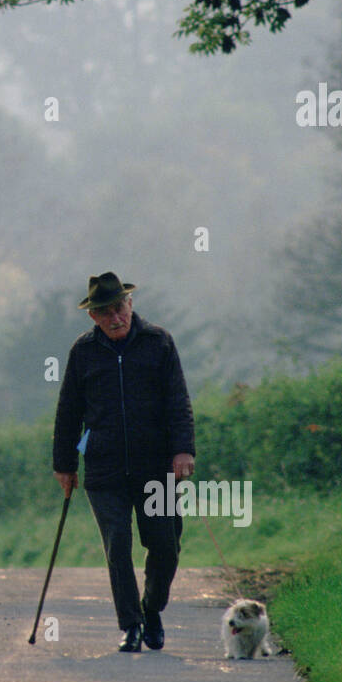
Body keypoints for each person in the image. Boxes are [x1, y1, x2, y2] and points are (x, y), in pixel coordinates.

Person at [52, 272, 195, 653]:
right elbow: (69, 412)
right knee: (118, 545)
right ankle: (130, 625)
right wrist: (64, 465)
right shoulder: (82, 352)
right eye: (105, 312)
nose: (115, 317)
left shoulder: (158, 342)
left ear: (130, 304)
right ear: (93, 317)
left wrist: (183, 450)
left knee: (165, 545)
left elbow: (178, 401)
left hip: (156, 468)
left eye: (119, 307)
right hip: (104, 469)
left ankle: (151, 608)